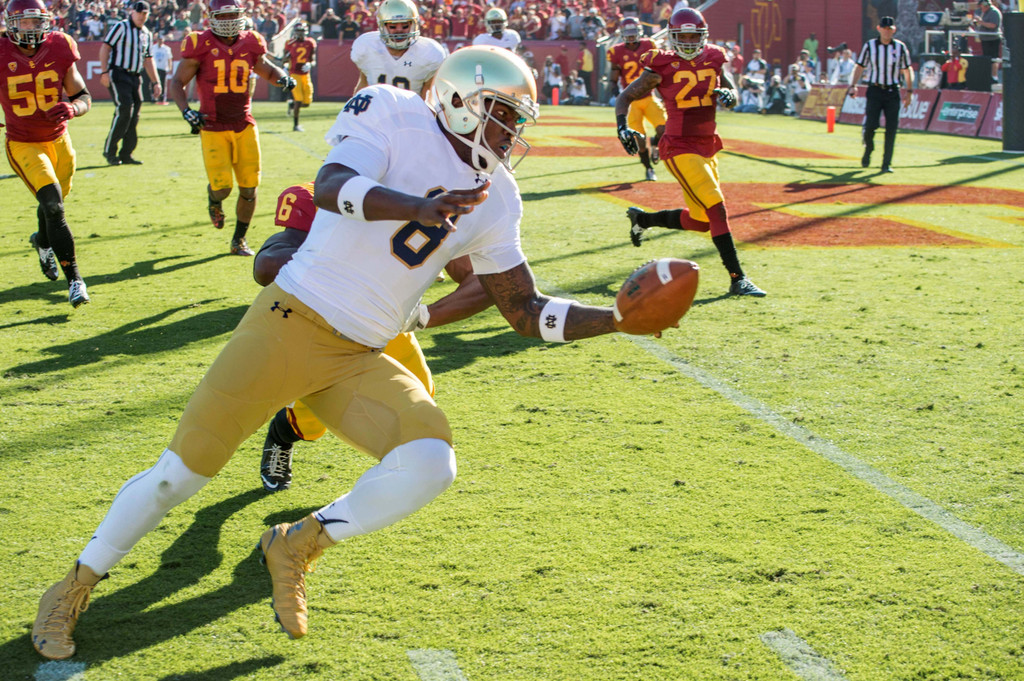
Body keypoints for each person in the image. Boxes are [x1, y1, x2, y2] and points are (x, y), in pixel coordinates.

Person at [30, 46, 673, 659]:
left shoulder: (498, 195)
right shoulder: (391, 111)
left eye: (517, 121)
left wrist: (616, 322)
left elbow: (524, 310)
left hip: (360, 353)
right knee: (181, 474)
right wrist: (417, 205)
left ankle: (298, 543)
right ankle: (73, 587)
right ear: (457, 102)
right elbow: (334, 182)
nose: (510, 135)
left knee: (430, 463)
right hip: (291, 319)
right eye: (503, 116)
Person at [255, 182, 493, 492]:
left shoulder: (422, 197)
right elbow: (266, 266)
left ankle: (401, 468)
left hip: (385, 321)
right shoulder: (315, 194)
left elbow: (479, 278)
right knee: (310, 423)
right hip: (326, 325)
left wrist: (424, 315)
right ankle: (280, 437)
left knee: (419, 394)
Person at [615, 7, 766, 297]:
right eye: (681, 36)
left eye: (692, 35)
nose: (686, 41)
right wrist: (622, 127)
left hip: (708, 144)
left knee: (701, 221)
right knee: (717, 208)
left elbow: (731, 93)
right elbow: (625, 96)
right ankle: (738, 279)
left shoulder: (715, 56)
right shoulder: (661, 64)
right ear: (672, 37)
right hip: (678, 145)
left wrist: (729, 96)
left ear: (703, 36)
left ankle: (642, 219)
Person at [167, 0, 295, 257]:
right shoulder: (199, 43)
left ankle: (239, 239)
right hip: (212, 125)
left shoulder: (251, 42)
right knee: (223, 187)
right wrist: (186, 111)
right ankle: (214, 200)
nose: (229, 20)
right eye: (223, 15)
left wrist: (283, 78)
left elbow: (267, 69)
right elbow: (177, 83)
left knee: (249, 187)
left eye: (233, 14)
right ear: (211, 17)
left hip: (243, 123)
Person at [1, 0, 92, 308]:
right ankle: (76, 281)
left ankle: (41, 241)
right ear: (11, 23)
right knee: (53, 207)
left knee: (53, 204)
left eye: (36, 21)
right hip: (24, 143)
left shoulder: (60, 46)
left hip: (59, 141)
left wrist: (73, 108)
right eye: (24, 22)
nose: (31, 28)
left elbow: (82, 95)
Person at [98, 1, 161, 165]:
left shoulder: (146, 33)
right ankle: (109, 151)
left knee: (135, 114)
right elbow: (106, 47)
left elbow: (148, 59)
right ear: (132, 12)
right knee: (125, 108)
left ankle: (126, 153)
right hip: (119, 73)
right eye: (140, 13)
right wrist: (104, 71)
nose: (142, 16)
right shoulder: (121, 27)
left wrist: (156, 82)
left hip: (135, 76)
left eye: (145, 14)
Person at [848, 16, 913, 174]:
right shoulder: (870, 46)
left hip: (892, 91)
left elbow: (907, 69)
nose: (887, 31)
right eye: (884, 28)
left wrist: (909, 91)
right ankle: (869, 148)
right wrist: (853, 85)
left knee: (891, 128)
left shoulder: (900, 47)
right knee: (871, 125)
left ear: (894, 30)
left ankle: (886, 163)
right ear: (879, 29)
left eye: (890, 29)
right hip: (875, 90)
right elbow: (860, 66)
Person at [351, 0, 447, 99]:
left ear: (413, 25)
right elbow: (362, 87)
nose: (399, 30)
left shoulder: (429, 52)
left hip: (412, 112)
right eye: (393, 26)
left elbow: (428, 100)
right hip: (378, 113)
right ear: (382, 27)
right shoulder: (367, 47)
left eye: (405, 26)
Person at [607, 16, 664, 181]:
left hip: (649, 96)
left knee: (664, 129)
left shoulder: (649, 45)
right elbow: (614, 74)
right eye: (628, 32)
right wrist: (613, 87)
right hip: (631, 102)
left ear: (639, 32)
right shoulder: (616, 51)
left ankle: (655, 144)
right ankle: (648, 168)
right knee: (639, 139)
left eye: (633, 32)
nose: (631, 36)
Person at [283, 21, 316, 131]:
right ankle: (296, 125)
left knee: (307, 103)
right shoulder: (290, 43)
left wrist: (310, 64)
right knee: (299, 100)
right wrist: (286, 64)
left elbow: (313, 59)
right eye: (298, 31)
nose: (300, 34)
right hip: (294, 74)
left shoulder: (310, 42)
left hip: (306, 74)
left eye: (302, 31)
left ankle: (291, 106)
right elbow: (284, 59)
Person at [972, 0, 1002, 82]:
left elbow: (993, 25)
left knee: (994, 58)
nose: (981, 8)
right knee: (986, 58)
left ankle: (994, 76)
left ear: (986, 5)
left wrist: (981, 22)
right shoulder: (981, 12)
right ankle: (987, 76)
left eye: (982, 6)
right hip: (985, 39)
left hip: (993, 39)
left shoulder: (994, 12)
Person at [151, 34, 172, 103]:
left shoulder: (167, 49)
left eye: (161, 39)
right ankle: (153, 97)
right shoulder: (153, 47)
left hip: (163, 68)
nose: (160, 41)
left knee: (163, 83)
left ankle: (162, 97)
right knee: (154, 82)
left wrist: (170, 67)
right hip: (155, 68)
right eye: (159, 39)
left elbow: (169, 59)